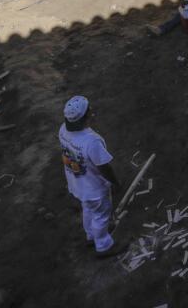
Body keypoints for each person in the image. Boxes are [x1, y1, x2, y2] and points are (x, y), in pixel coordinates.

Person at [58, 96, 123, 258]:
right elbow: (104, 167)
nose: (92, 112)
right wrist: (115, 182)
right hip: (94, 188)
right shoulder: (91, 141)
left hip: (77, 183)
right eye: (89, 111)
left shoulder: (63, 130)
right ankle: (103, 245)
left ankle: (90, 236)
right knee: (101, 215)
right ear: (86, 116)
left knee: (87, 208)